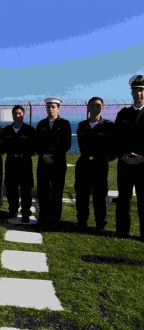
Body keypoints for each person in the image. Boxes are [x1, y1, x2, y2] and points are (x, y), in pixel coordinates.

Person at [74, 97, 115, 232]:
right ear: (88, 107)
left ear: (102, 108)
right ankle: (82, 221)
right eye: (92, 105)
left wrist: (103, 159)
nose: (95, 108)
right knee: (82, 195)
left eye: (98, 106)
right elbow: (82, 145)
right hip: (84, 163)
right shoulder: (82, 126)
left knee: (100, 195)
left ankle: (100, 224)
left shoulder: (108, 126)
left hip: (100, 165)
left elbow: (114, 148)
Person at [114, 75, 144, 240]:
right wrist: (123, 155)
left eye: (142, 91)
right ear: (131, 93)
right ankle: (122, 231)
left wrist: (142, 157)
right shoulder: (123, 114)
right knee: (124, 198)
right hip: (125, 163)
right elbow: (116, 139)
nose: (139, 94)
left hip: (143, 164)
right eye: (136, 91)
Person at [35, 97, 71, 230]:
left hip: (58, 163)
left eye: (53, 106)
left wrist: (54, 156)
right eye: (49, 106)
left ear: (58, 108)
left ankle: (55, 218)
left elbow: (66, 144)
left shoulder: (65, 124)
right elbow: (36, 143)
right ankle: (44, 216)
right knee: (43, 190)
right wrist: (43, 154)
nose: (51, 109)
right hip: (43, 162)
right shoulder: (41, 124)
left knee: (57, 190)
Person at [1, 105, 36, 223]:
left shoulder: (30, 130)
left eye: (20, 113)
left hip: (25, 162)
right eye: (15, 113)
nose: (17, 115)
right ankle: (12, 210)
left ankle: (25, 212)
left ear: (23, 115)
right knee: (11, 188)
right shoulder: (6, 131)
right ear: (12, 115)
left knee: (26, 189)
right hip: (11, 162)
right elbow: (2, 147)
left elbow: (34, 148)